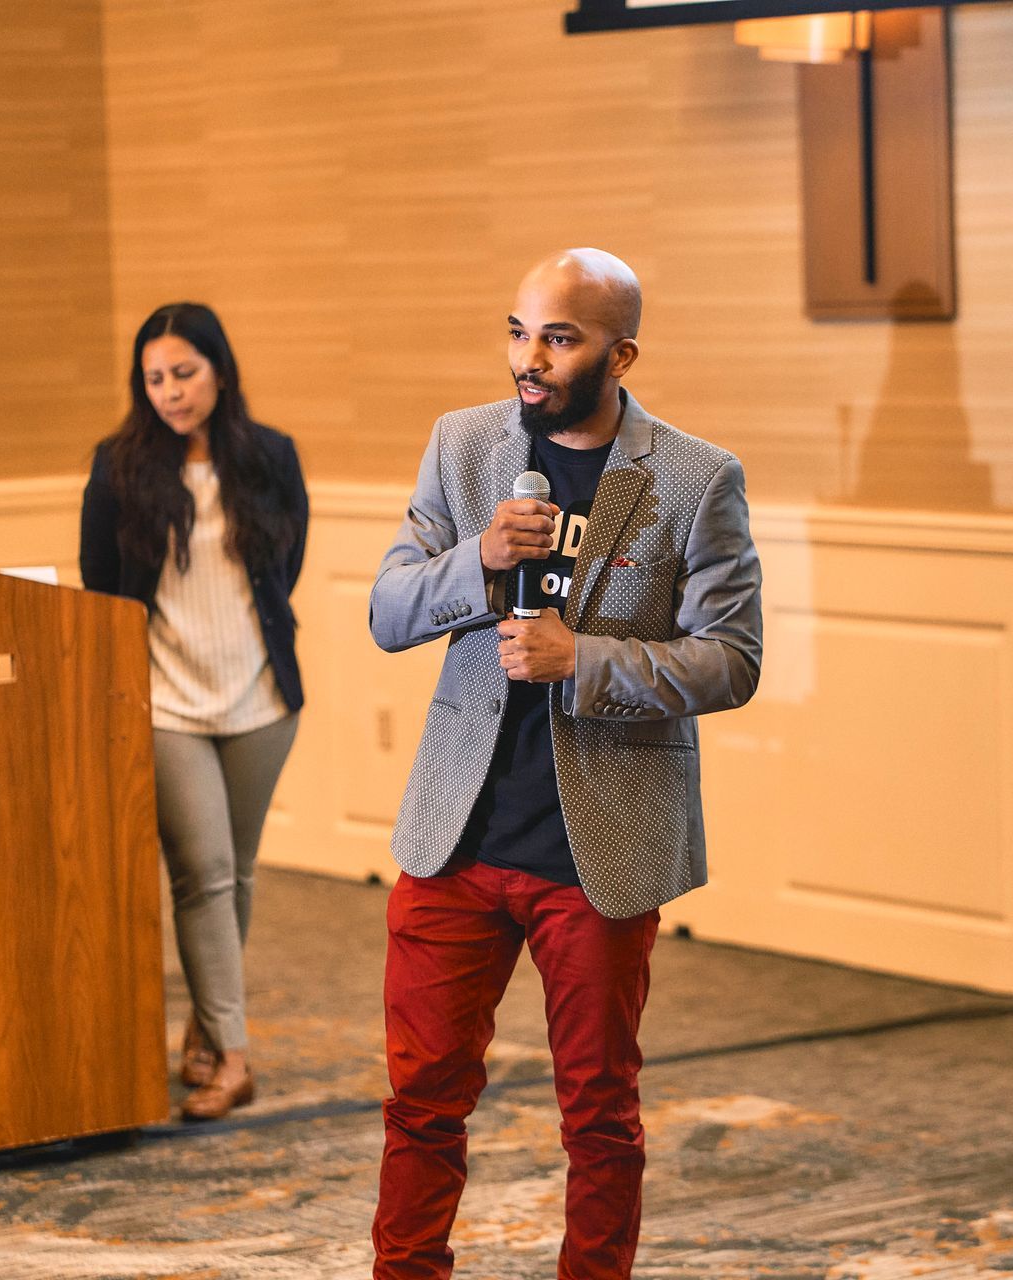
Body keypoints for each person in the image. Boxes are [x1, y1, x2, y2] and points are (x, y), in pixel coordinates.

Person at [367, 249, 764, 1278]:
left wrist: (581, 659)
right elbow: (388, 609)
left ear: (620, 352)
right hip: (457, 834)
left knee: (597, 1111)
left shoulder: (692, 477)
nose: (527, 361)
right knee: (420, 1099)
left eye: (557, 337)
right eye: (517, 332)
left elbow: (733, 658)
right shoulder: (464, 448)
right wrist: (480, 561)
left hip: (596, 846)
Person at [80, 302, 308, 1121]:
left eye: (185, 373)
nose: (171, 392)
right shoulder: (117, 468)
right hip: (165, 700)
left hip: (262, 700)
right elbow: (100, 588)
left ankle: (208, 1029)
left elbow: (290, 566)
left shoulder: (271, 457)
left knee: (234, 875)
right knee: (205, 875)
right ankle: (234, 1060)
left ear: (219, 370)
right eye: (155, 378)